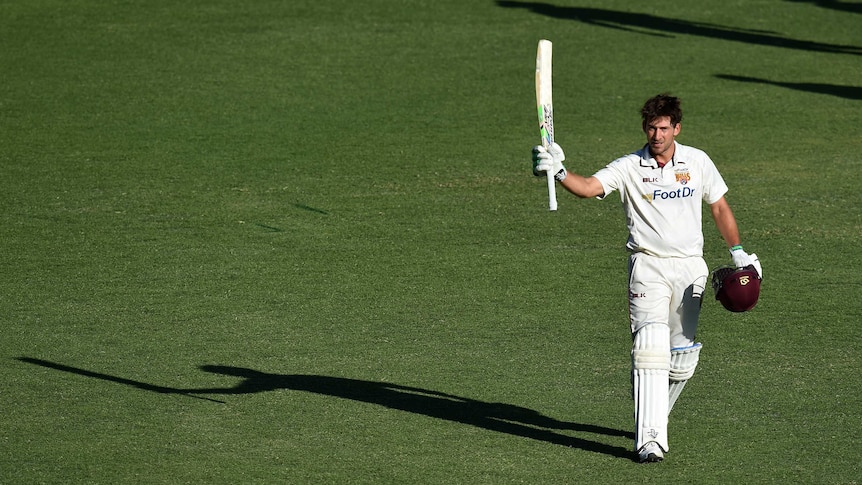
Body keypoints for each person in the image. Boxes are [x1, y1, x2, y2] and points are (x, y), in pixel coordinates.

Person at [531, 94, 761, 463]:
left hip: (690, 268)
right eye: (652, 127)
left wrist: (737, 251)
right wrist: (559, 172)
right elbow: (590, 187)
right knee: (650, 344)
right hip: (648, 265)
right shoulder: (629, 166)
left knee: (681, 359)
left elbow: (718, 206)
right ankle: (649, 440)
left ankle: (654, 420)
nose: (657, 134)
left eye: (664, 127)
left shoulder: (697, 161)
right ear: (645, 128)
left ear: (677, 128)